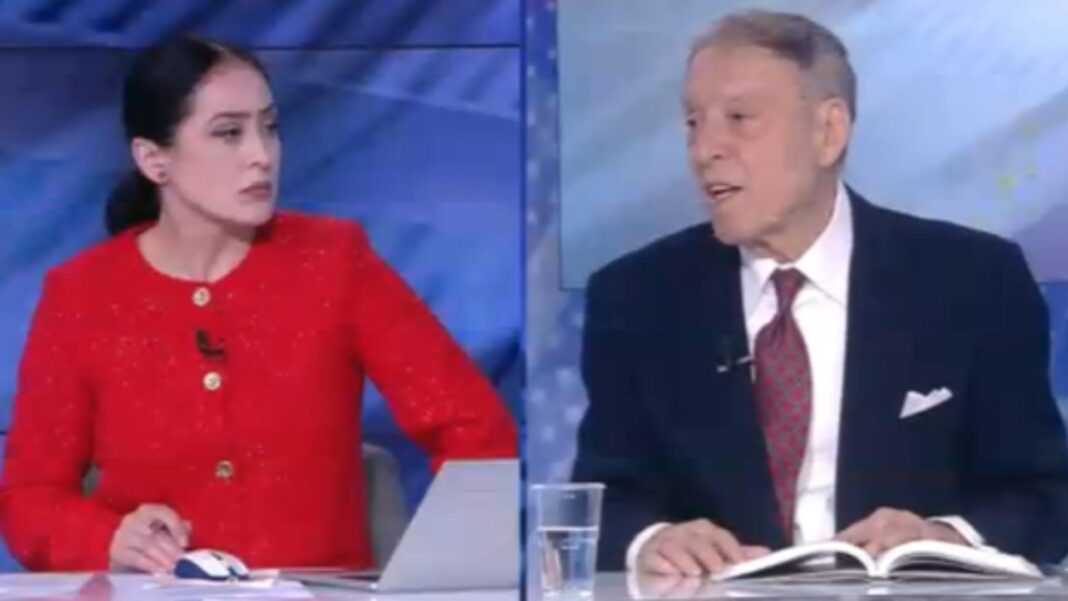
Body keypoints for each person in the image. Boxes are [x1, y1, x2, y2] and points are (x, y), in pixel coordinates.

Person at [572, 10, 1068, 575]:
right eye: (692, 122)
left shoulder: (974, 281)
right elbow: (605, 498)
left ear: (828, 131)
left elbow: (1043, 495)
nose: (704, 149)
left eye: (739, 118)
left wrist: (942, 537)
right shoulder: (637, 297)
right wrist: (653, 540)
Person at [0, 34, 517, 573]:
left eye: (270, 127)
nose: (261, 155)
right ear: (154, 160)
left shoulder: (334, 261)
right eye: (230, 133)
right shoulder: (82, 294)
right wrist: (108, 539)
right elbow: (29, 499)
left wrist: (447, 576)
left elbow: (477, 431)